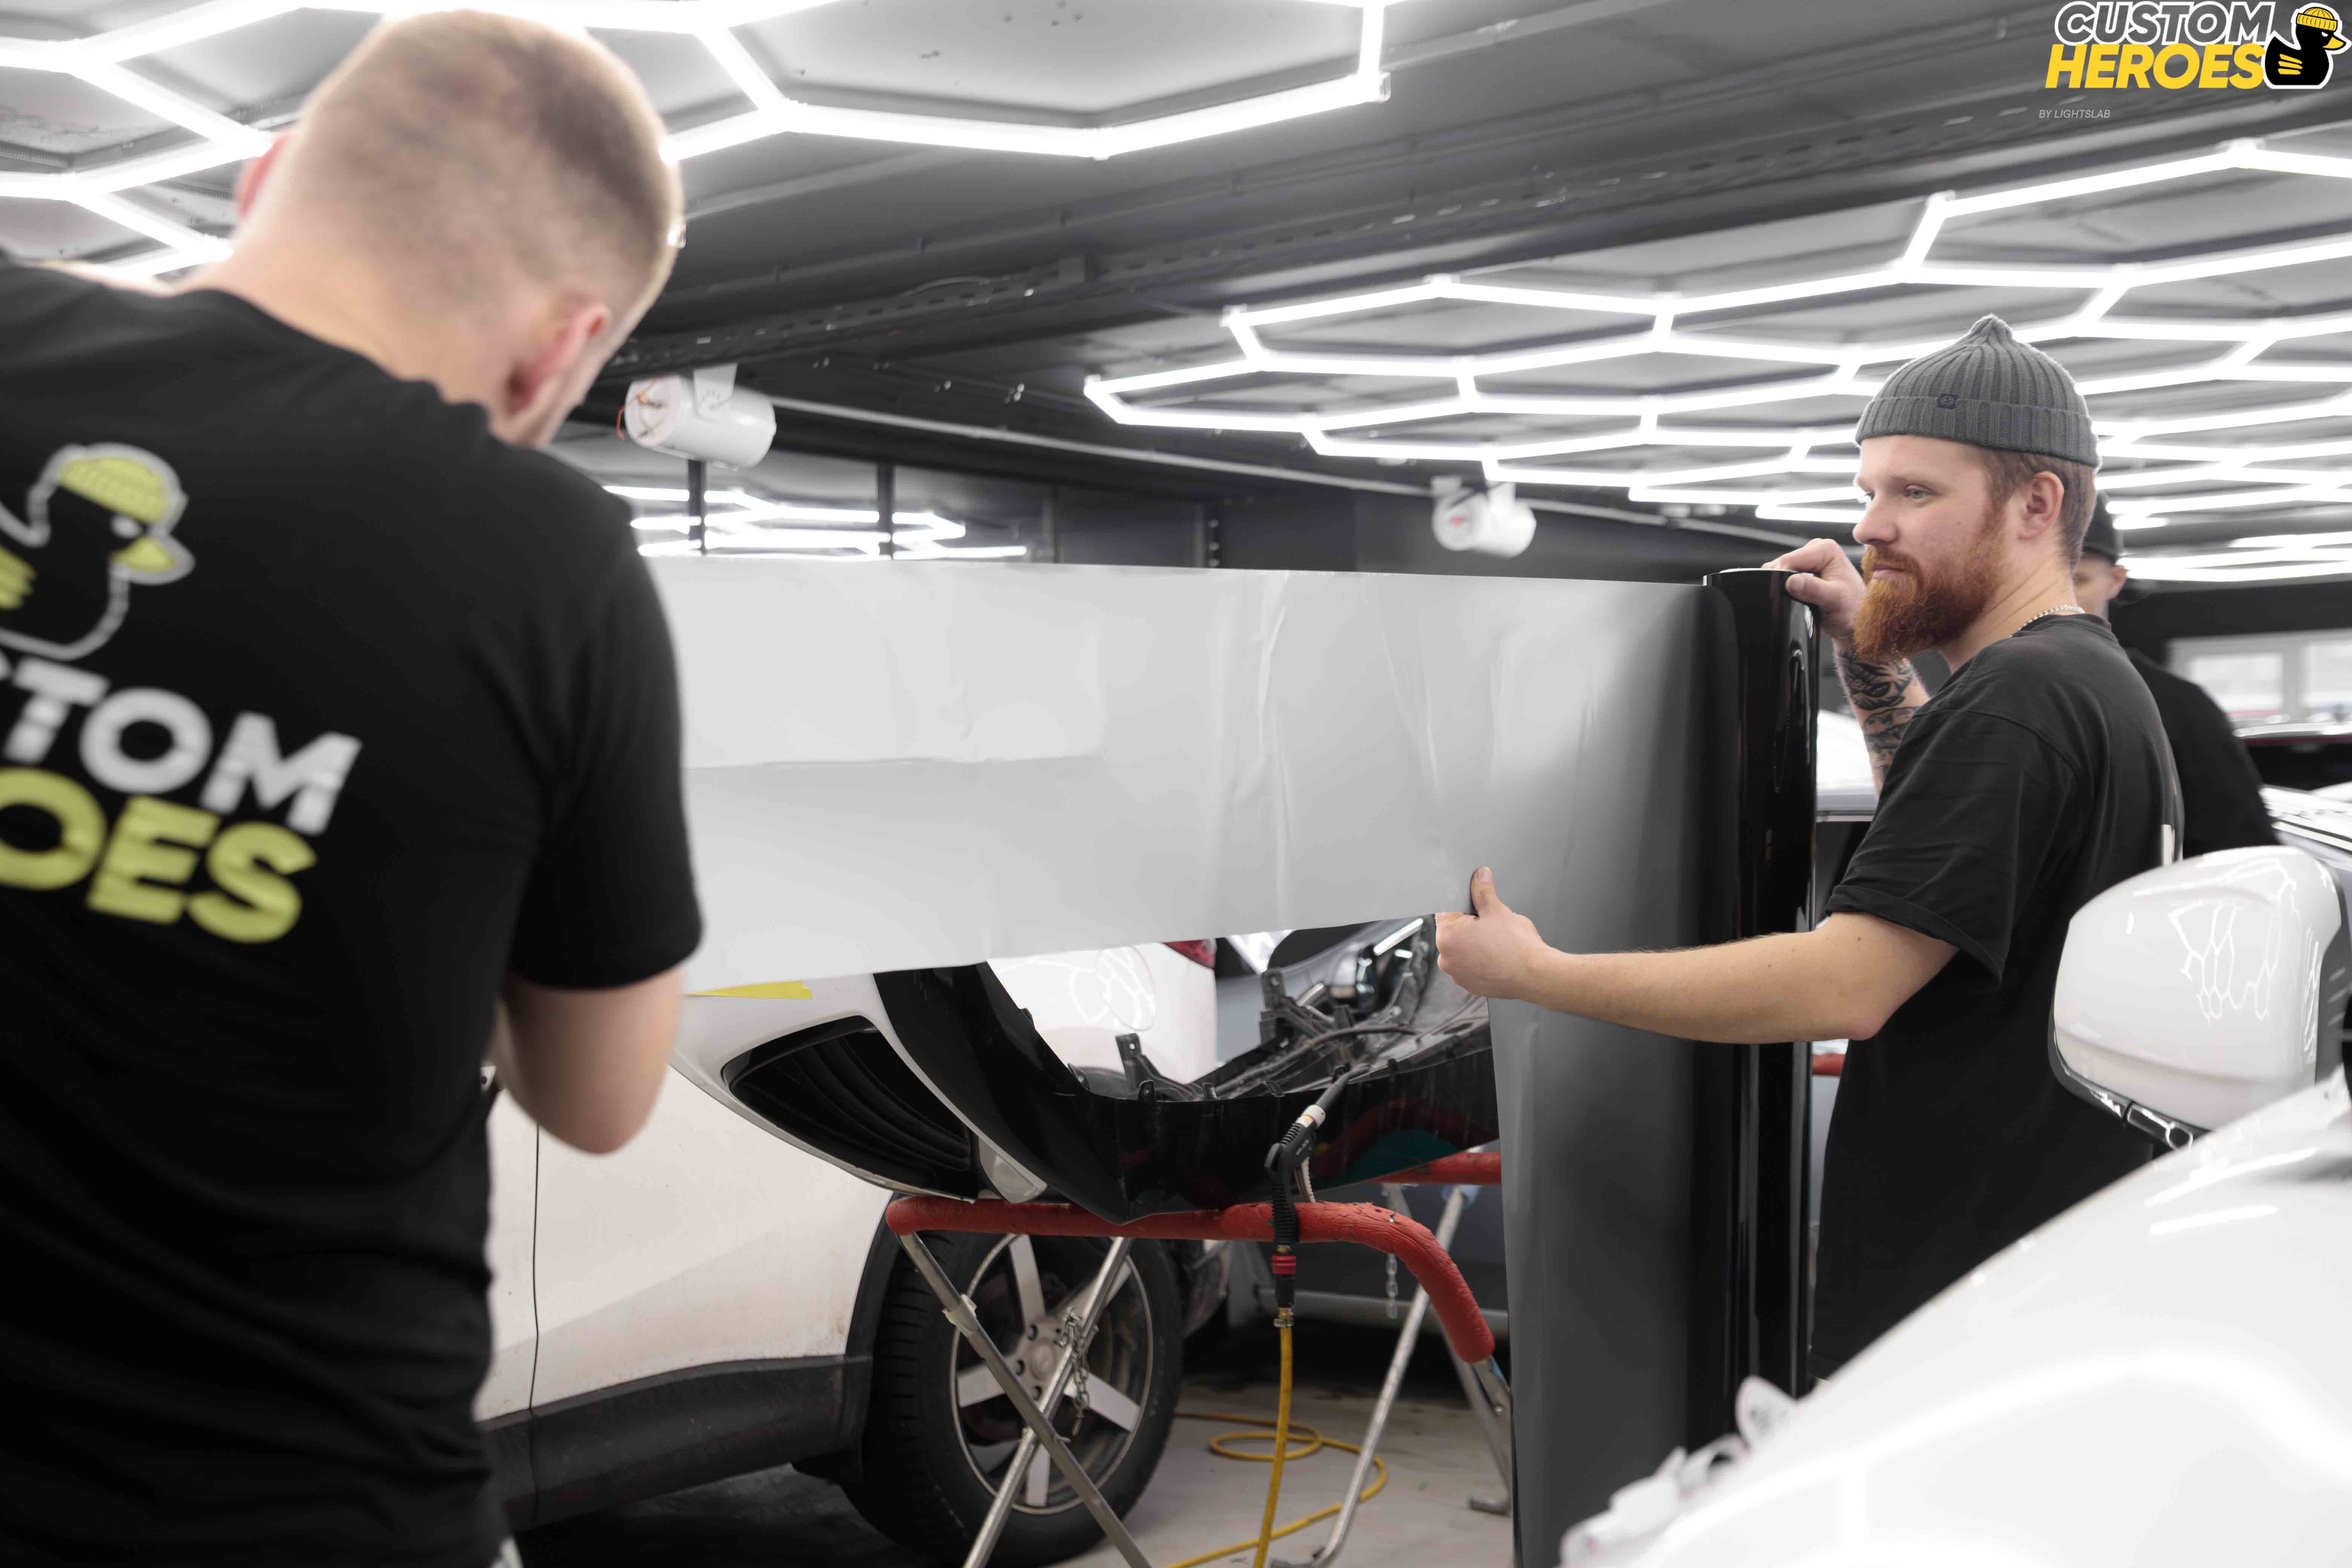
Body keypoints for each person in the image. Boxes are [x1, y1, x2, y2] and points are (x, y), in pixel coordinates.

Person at [0, 14, 701, 1566]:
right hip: (296, 1502)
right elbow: (597, 1097)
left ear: (261, 180)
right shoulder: (549, 560)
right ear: (566, 346)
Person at [1436, 315, 2179, 1380]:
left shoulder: (2021, 697)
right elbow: (1946, 850)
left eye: (1915, 492)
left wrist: (1536, 974)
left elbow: (1847, 983)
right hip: (2040, 1281)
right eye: (1869, 489)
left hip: (1963, 1305)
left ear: (2037, 504)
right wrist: (1866, 659)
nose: (1872, 525)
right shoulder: (2091, 683)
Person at [2074, 498, 2276, 856]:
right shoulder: (1985, 689)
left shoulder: (2177, 705)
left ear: (2115, 581)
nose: (2057, 598)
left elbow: (2241, 849)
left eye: (2078, 580)